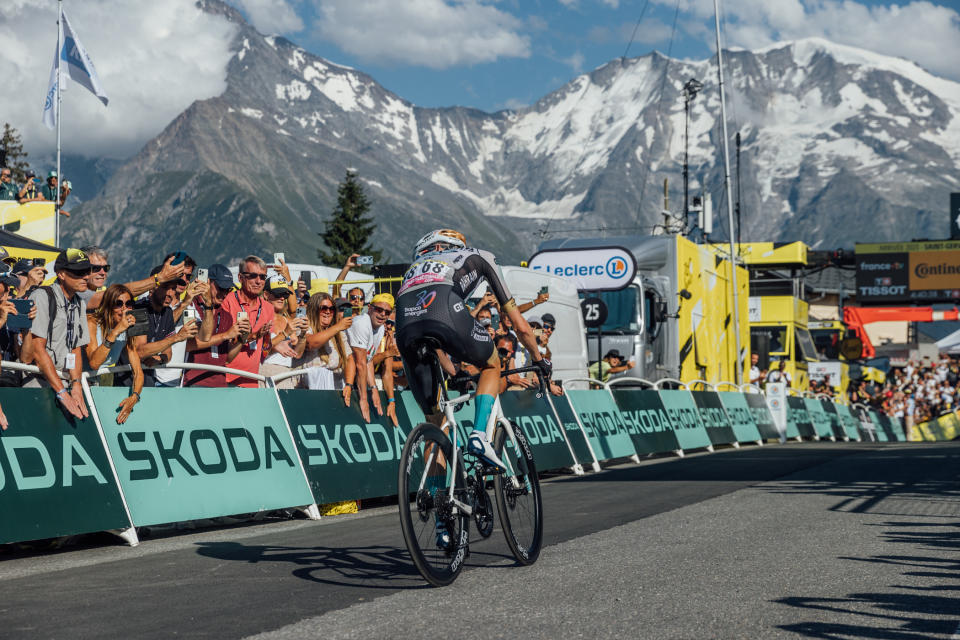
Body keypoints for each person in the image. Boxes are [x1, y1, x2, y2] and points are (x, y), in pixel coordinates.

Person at [395, 229, 551, 477]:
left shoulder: (413, 270)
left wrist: (452, 369)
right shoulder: (479, 256)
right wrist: (540, 360)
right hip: (446, 312)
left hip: (405, 328)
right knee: (492, 364)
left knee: (435, 424)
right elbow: (520, 326)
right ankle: (479, 435)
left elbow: (428, 330)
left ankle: (438, 506)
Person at [25, 249, 92, 420]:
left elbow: (76, 348)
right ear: (61, 274)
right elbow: (37, 350)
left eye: (87, 271)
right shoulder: (42, 296)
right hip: (38, 380)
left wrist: (76, 385)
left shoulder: (79, 303)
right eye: (78, 272)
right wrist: (62, 392)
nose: (86, 277)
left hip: (64, 380)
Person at [85, 284, 144, 423]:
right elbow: (94, 363)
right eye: (118, 304)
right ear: (108, 306)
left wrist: (134, 397)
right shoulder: (92, 322)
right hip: (79, 381)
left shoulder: (128, 327)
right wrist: (116, 331)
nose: (124, 309)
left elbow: (138, 370)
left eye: (129, 304)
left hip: (100, 383)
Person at [133, 268, 199, 387]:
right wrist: (177, 337)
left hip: (148, 382)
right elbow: (140, 351)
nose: (170, 293)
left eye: (173, 288)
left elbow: (168, 353)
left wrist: (158, 359)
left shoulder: (167, 312)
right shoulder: (138, 309)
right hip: (126, 382)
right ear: (152, 288)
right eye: (165, 287)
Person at [183, 264, 242, 387]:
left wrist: (242, 338)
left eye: (228, 290)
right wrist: (225, 335)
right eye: (221, 288)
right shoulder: (190, 306)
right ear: (207, 282)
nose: (225, 294)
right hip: (194, 381)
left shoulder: (227, 316)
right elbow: (188, 345)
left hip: (220, 384)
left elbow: (227, 358)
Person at [221, 255, 274, 387]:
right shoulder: (227, 301)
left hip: (251, 380)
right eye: (253, 276)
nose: (258, 281)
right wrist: (254, 336)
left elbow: (265, 347)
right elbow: (222, 340)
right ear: (240, 278)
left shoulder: (268, 308)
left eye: (263, 277)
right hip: (225, 378)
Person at [344, 292, 396, 423]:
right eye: (379, 309)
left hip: (351, 372)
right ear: (370, 308)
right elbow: (361, 364)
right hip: (341, 372)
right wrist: (364, 399)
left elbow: (369, 360)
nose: (383, 314)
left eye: (387, 312)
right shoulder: (362, 323)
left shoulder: (379, 328)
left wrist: (373, 388)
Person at [80, 247, 186, 310]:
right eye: (96, 268)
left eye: (105, 268)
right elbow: (116, 294)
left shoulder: (101, 290)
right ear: (82, 268)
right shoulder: (77, 294)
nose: (102, 272)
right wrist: (159, 278)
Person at [293, 292, 352, 390]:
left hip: (335, 387)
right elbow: (311, 343)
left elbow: (349, 358)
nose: (328, 312)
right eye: (323, 308)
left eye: (331, 309)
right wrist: (337, 327)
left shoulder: (338, 332)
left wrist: (349, 385)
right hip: (308, 388)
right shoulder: (304, 324)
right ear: (314, 310)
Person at [260, 275, 308, 388]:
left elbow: (298, 354)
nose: (282, 298)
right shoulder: (258, 317)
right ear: (266, 295)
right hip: (262, 371)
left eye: (285, 295)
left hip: (285, 373)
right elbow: (258, 351)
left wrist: (303, 335)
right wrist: (283, 336)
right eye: (278, 294)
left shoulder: (288, 321)